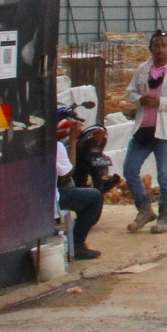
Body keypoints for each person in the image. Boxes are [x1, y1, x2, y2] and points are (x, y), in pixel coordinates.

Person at [124, 30, 167, 233]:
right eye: (156, 45)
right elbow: (130, 92)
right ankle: (144, 209)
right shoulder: (143, 70)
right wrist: (140, 100)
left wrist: (161, 102)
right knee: (130, 169)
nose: (160, 49)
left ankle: (165, 216)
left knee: (165, 175)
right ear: (150, 48)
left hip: (165, 131)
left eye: (164, 45)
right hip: (144, 129)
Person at [53, 111, 103, 259]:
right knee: (94, 197)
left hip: (30, 197)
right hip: (50, 200)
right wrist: (73, 140)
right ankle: (77, 244)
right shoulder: (56, 147)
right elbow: (67, 174)